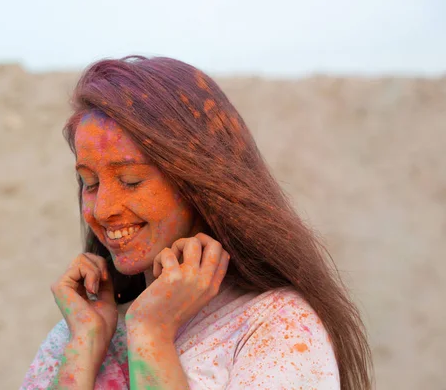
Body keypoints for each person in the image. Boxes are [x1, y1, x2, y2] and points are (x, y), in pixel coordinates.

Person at [20, 56, 373, 390]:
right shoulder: (81, 331)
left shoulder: (278, 326)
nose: (102, 210)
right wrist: (84, 345)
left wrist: (151, 334)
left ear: (198, 182)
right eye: (90, 183)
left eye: (130, 180)